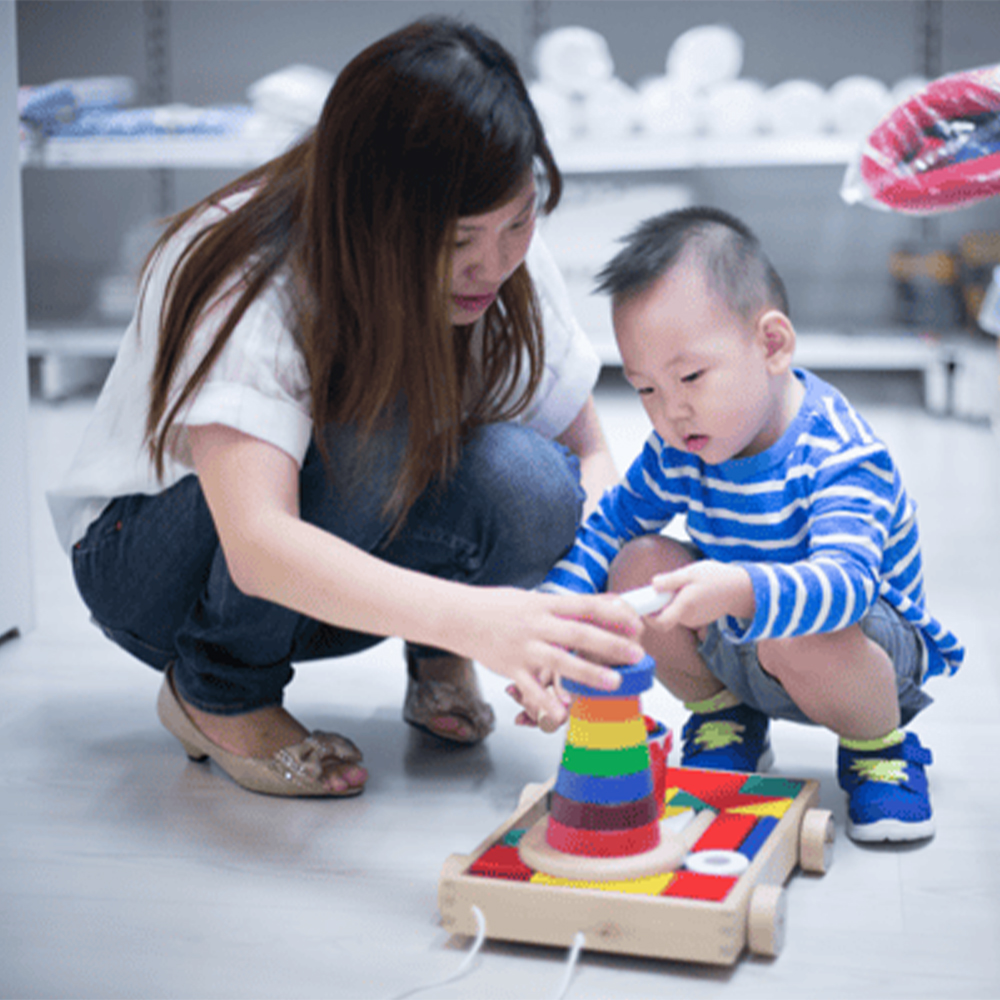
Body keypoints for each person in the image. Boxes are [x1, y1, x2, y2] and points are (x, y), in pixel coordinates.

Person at [48, 17, 645, 798]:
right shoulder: (255, 271)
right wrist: (486, 621)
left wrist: (577, 613)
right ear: (376, 215)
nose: (494, 261)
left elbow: (588, 460)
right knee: (377, 424)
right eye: (461, 237)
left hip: (322, 549)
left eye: (518, 221)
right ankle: (218, 687)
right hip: (158, 565)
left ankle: (435, 649)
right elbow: (258, 543)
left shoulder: (500, 252)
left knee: (537, 487)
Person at [542, 206, 964, 843]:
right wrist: (556, 614)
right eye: (646, 389)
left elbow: (847, 585)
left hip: (857, 651)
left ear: (771, 344)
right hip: (745, 640)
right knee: (634, 566)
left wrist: (740, 588)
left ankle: (880, 750)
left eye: (689, 377)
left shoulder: (840, 454)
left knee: (799, 633)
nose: (671, 412)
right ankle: (726, 719)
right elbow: (611, 524)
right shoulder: (682, 446)